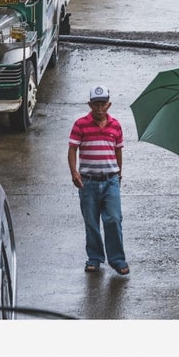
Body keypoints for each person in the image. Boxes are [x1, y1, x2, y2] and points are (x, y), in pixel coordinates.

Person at [68, 84, 128, 275]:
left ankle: (117, 260)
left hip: (111, 180)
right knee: (91, 222)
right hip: (88, 182)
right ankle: (94, 258)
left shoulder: (115, 125)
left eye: (103, 104)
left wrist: (119, 173)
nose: (99, 108)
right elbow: (72, 149)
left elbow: (118, 151)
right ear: (90, 104)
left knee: (113, 219)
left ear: (108, 105)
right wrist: (74, 172)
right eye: (95, 104)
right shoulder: (80, 124)